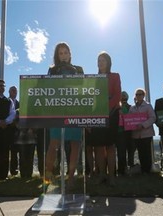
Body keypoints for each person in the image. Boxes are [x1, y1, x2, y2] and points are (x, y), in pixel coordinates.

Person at [45, 42, 83, 190]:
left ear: (70, 54)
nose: (63, 56)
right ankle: (48, 176)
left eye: (65, 52)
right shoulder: (52, 70)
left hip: (75, 110)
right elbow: (48, 88)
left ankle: (71, 177)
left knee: (75, 144)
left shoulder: (78, 69)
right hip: (57, 110)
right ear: (57, 55)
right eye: (60, 53)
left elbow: (83, 87)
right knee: (53, 144)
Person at [87, 51, 121, 186]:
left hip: (112, 114)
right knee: (99, 147)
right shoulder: (93, 79)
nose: (101, 63)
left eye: (103, 60)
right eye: (99, 60)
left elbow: (117, 96)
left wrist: (105, 109)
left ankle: (112, 176)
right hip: (96, 116)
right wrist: (90, 119)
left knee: (110, 146)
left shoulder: (115, 76)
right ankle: (102, 174)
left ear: (108, 63)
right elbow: (91, 100)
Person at [129, 88, 156, 174]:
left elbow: (153, 118)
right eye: (137, 94)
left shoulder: (148, 106)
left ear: (143, 95)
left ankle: (147, 170)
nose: (138, 96)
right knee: (140, 152)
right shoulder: (132, 108)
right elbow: (129, 120)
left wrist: (143, 125)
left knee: (147, 152)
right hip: (136, 134)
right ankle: (143, 169)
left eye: (140, 94)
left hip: (146, 134)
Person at [117, 91, 136, 175]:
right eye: (121, 96)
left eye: (124, 96)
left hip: (130, 132)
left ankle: (131, 168)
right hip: (120, 132)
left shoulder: (132, 107)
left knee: (131, 151)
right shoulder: (116, 108)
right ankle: (121, 170)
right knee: (121, 152)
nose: (123, 98)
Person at [8, 86, 20, 176]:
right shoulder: (5, 102)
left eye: (15, 91)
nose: (14, 92)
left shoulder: (19, 103)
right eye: (12, 90)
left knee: (15, 151)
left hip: (17, 130)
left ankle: (14, 170)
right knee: (7, 151)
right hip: (7, 129)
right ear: (9, 91)